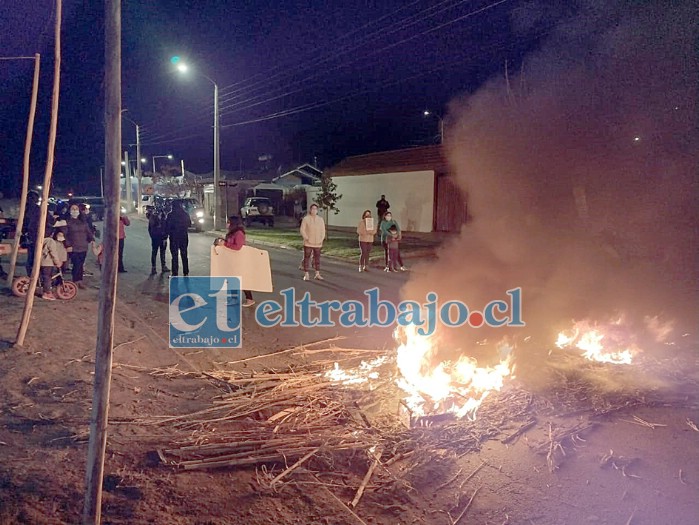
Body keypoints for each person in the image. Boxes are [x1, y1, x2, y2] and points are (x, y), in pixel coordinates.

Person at [221, 216, 255, 307]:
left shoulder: (239, 233)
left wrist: (225, 244)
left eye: (228, 222)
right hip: (231, 259)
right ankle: (234, 298)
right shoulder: (231, 233)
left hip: (239, 260)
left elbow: (238, 247)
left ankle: (249, 299)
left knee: (242, 280)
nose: (227, 224)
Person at [65, 203, 94, 288]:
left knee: (80, 264)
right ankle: (75, 281)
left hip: (83, 246)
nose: (74, 210)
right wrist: (68, 245)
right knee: (76, 264)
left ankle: (79, 281)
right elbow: (64, 234)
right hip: (73, 247)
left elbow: (88, 231)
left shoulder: (83, 221)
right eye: (72, 209)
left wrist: (92, 239)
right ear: (69, 210)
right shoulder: (67, 222)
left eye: (76, 209)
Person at [40, 224, 68, 300]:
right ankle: (47, 293)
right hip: (47, 262)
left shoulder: (43, 239)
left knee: (46, 277)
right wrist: (57, 262)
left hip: (42, 261)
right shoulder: (50, 241)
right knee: (47, 277)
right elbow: (53, 253)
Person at [300, 203, 325, 281]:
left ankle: (317, 274)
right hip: (308, 243)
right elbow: (302, 229)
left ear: (317, 210)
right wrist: (306, 238)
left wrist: (321, 239)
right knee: (306, 258)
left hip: (318, 243)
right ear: (310, 210)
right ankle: (306, 274)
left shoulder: (320, 219)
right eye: (312, 209)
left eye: (315, 209)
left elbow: (323, 230)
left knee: (317, 259)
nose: (314, 210)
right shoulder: (306, 219)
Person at [166, 199, 191, 277]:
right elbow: (189, 224)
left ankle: (175, 272)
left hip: (174, 237)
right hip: (183, 236)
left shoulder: (170, 215)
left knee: (174, 256)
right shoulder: (185, 214)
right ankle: (186, 271)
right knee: (184, 254)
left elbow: (167, 227)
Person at [22, 190, 41, 276]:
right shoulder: (35, 209)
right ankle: (33, 276)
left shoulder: (25, 208)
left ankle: (32, 275)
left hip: (30, 235)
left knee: (32, 257)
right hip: (34, 236)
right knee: (33, 258)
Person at [148, 210, 170, 275]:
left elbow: (166, 229)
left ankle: (160, 267)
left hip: (159, 239)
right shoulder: (155, 219)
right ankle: (155, 268)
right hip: (157, 238)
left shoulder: (161, 219)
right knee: (157, 253)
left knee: (159, 253)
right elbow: (150, 229)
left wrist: (165, 238)